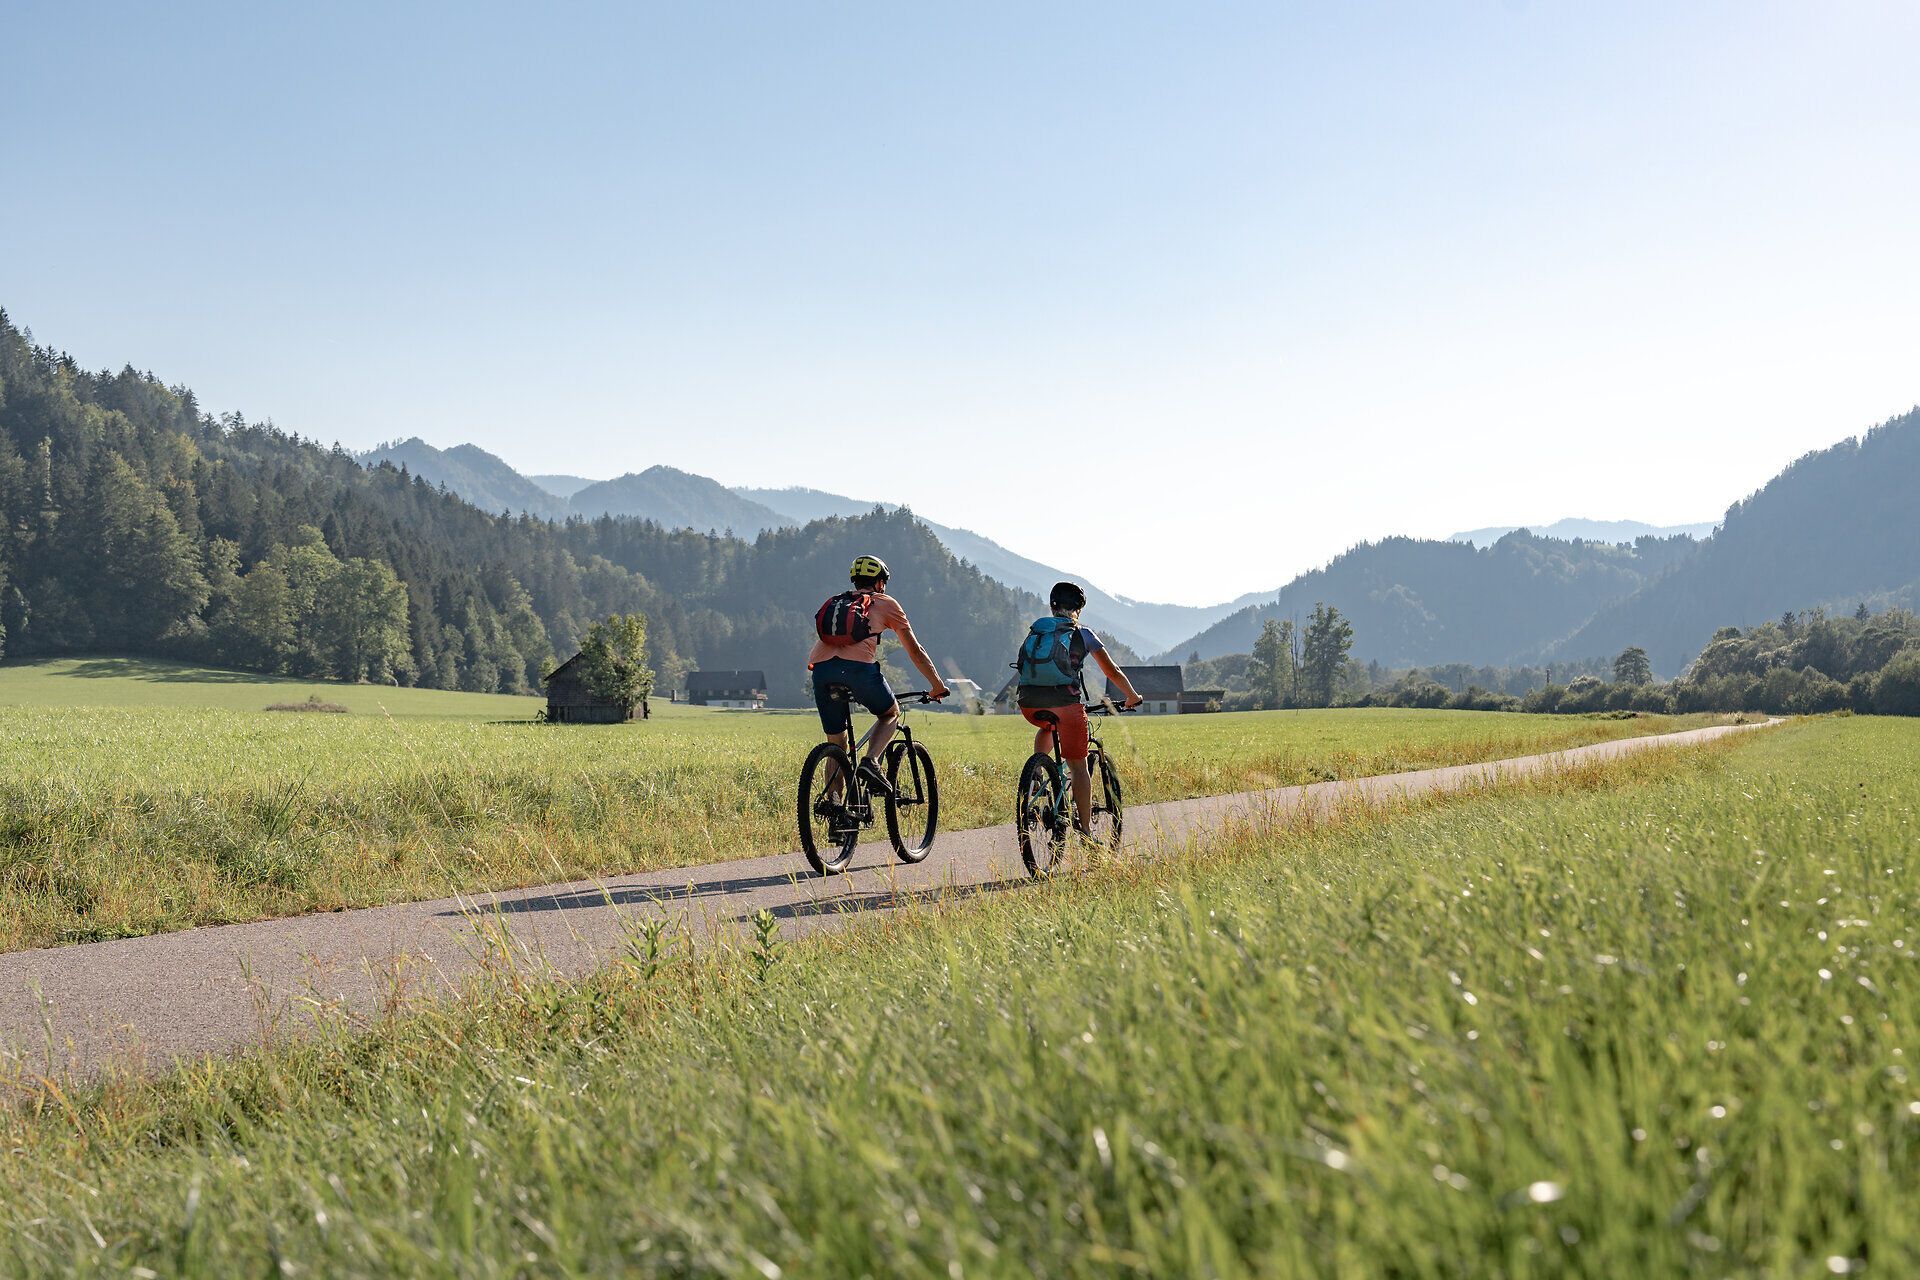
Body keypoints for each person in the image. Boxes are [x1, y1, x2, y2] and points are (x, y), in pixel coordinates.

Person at [809, 554, 949, 799]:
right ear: (880, 582)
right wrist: (937, 685)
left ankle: (834, 808)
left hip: (821, 671)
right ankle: (871, 761)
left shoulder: (836, 602)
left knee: (836, 743)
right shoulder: (886, 603)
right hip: (857, 670)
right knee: (889, 713)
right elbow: (915, 651)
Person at [1015, 581, 1142, 831]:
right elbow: (1112, 671)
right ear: (1079, 609)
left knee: (1048, 726)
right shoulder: (1082, 633)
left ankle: (1037, 773)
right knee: (1079, 767)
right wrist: (1132, 696)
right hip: (1066, 705)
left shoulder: (1037, 631)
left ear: (1052, 606)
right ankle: (1085, 830)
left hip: (1029, 704)